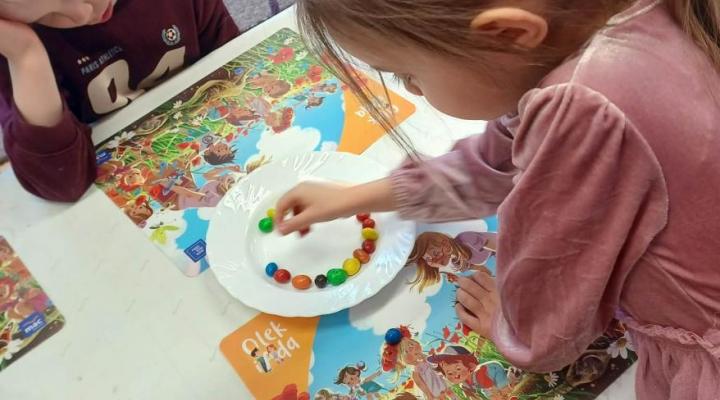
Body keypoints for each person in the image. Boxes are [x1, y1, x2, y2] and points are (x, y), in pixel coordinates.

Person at [275, 0, 720, 398]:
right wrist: (356, 197)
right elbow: (493, 166)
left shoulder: (584, 109)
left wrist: (510, 332)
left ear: (507, 33)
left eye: (406, 74)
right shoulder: (603, 29)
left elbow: (550, 320)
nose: (411, 89)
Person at [0, 0, 240, 201]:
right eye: (47, 14)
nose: (83, 12)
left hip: (217, 146)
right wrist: (26, 55)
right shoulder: (12, 51)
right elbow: (64, 183)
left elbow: (239, 72)